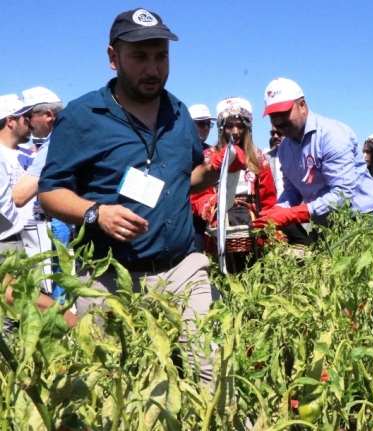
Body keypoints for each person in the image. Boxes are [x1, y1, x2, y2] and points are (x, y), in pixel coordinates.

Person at [37, 8, 246, 382]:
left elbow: (188, 179)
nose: (153, 68)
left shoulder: (179, 114)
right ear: (113, 58)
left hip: (182, 267)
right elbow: (49, 194)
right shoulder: (84, 116)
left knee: (212, 370)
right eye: (139, 56)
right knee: (115, 383)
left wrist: (214, 172)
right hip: (107, 275)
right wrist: (95, 212)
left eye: (161, 56)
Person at [253, 78, 373, 244]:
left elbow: (342, 194)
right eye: (272, 116)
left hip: (361, 217)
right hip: (325, 221)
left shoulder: (332, 135)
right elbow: (292, 190)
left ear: (302, 105)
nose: (277, 121)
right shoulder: (284, 148)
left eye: (283, 113)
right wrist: (277, 211)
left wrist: (293, 214)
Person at [0, 94, 76, 336]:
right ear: (10, 120)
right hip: (5, 240)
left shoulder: (23, 154)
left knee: (18, 312)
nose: (30, 122)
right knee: (15, 301)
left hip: (18, 239)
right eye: (26, 117)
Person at [191, 97, 277, 268]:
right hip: (217, 228)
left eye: (241, 126)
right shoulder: (208, 157)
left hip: (252, 228)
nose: (235, 131)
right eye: (229, 125)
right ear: (222, 128)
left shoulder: (259, 159)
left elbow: (268, 200)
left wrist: (270, 227)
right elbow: (197, 196)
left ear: (248, 128)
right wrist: (216, 204)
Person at [11, 87, 68, 299]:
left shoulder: (56, 141)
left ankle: (61, 317)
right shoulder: (82, 130)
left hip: (72, 219)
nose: (27, 122)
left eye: (28, 116)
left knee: (62, 272)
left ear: (48, 115)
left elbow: (20, 196)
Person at [188, 103, 215, 252]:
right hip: (188, 218)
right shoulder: (180, 150)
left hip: (208, 216)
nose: (205, 127)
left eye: (208, 124)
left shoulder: (213, 152)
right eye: (200, 123)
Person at [265, 126, 284, 197]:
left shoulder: (298, 155)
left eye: (279, 133)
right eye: (273, 133)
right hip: (274, 205)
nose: (275, 136)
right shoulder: (265, 158)